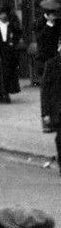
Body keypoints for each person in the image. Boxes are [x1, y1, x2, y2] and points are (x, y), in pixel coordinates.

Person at [0, 7, 22, 103]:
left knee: (8, 73)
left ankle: (6, 92)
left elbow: (17, 35)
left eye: (5, 14)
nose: (3, 16)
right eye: (1, 14)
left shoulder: (10, 25)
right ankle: (0, 93)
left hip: (8, 52)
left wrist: (13, 43)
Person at [43, 41, 61, 173]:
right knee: (59, 139)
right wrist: (45, 113)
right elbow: (45, 91)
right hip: (58, 110)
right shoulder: (51, 64)